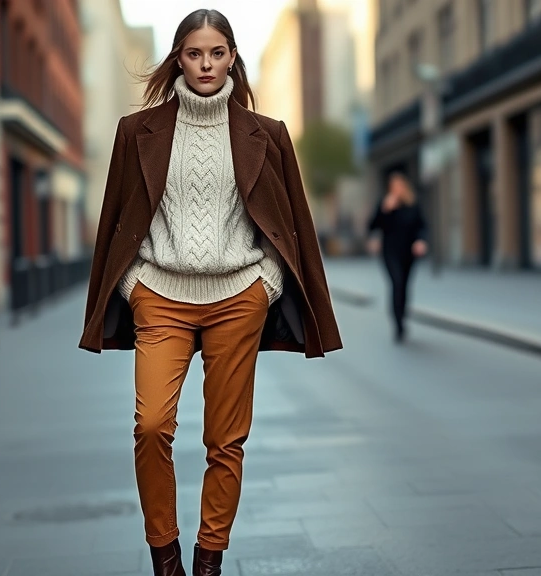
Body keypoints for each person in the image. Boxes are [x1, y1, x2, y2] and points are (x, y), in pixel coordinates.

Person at [79, 9, 342, 576]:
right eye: (195, 53)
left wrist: (265, 285)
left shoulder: (265, 134)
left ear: (232, 57)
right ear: (179, 56)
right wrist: (132, 284)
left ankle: (208, 560)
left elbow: (289, 219)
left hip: (237, 300)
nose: (206, 64)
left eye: (217, 53)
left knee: (226, 440)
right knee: (151, 426)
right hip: (161, 297)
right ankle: (165, 555)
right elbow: (117, 221)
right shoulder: (138, 132)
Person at [367, 172, 428, 343]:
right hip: (390, 252)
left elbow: (422, 226)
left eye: (399, 186)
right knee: (397, 283)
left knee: (405, 286)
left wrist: (421, 241)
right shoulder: (385, 204)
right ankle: (398, 324)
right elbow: (372, 225)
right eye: (394, 187)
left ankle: (402, 314)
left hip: (408, 253)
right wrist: (384, 210)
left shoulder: (412, 205)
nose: (397, 190)